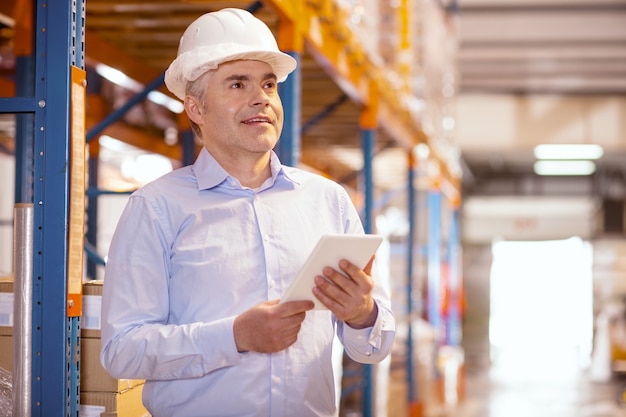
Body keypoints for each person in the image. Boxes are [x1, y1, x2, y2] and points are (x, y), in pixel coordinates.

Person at [100, 8, 395, 417]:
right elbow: (122, 351)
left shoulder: (327, 200)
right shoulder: (156, 208)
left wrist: (363, 315)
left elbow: (374, 348)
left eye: (269, 85)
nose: (261, 98)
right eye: (237, 84)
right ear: (196, 108)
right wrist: (235, 335)